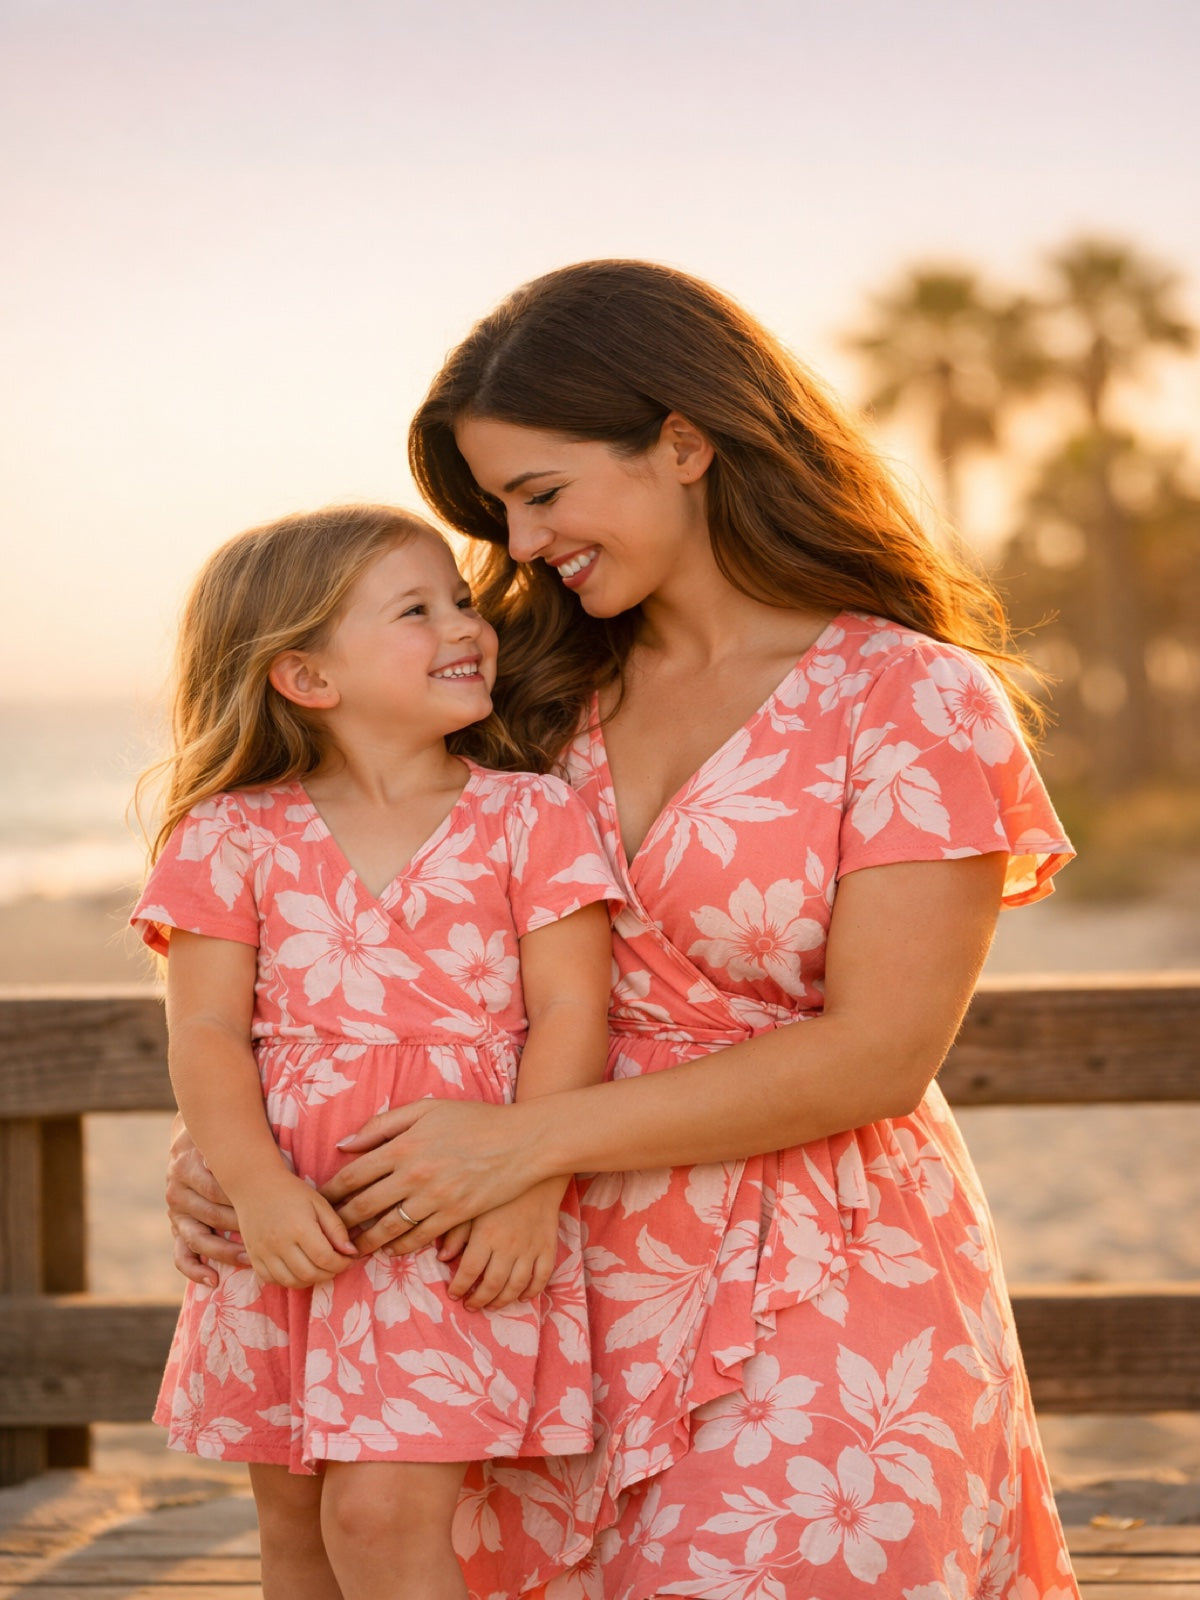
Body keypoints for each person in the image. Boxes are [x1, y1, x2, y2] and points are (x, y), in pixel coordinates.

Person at [168, 263, 1081, 1600]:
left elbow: (881, 1052)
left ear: (685, 442)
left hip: (810, 1272)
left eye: (541, 493)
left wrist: (527, 1145)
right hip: (509, 1291)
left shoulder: (909, 701)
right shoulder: (518, 686)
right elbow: (350, 924)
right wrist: (245, 1154)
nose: (521, 543)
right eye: (498, 511)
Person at [133, 503, 621, 1600]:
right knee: (296, 1530)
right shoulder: (231, 832)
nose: (465, 625)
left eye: (460, 598)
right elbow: (204, 1032)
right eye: (416, 610)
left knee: (383, 1516)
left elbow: (571, 1012)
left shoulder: (531, 816)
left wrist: (527, 1185)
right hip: (288, 1220)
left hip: (451, 1218)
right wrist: (255, 1187)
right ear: (307, 676)